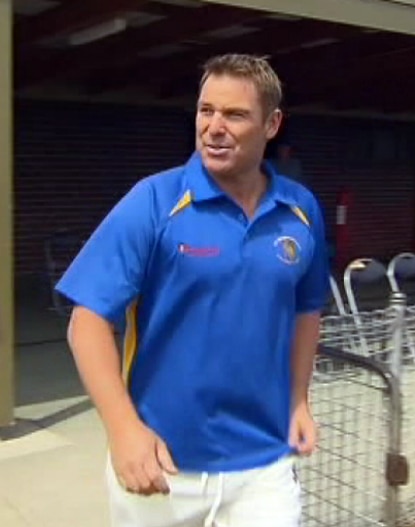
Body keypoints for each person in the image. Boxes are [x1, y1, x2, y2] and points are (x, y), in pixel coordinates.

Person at [55, 54, 329, 527]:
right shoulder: (155, 200)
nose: (214, 127)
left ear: (272, 124)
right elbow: (88, 322)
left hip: (264, 467)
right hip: (163, 468)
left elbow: (307, 310)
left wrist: (298, 401)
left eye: (235, 114)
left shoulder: (301, 210)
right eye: (206, 111)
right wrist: (124, 431)